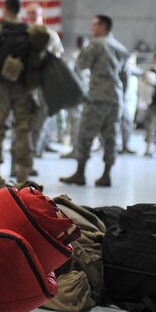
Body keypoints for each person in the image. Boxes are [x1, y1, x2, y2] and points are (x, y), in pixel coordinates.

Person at [60, 14, 128, 187]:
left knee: (85, 135)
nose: (92, 28)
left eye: (95, 25)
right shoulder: (120, 48)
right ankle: (106, 175)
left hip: (98, 98)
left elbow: (80, 65)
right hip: (115, 99)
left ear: (103, 26)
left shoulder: (97, 44)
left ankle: (80, 173)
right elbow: (125, 76)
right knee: (110, 137)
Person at [0, 0, 38, 182]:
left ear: (5, 8)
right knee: (23, 129)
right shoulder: (30, 31)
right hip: (23, 87)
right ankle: (23, 174)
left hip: (0, 86)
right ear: (19, 10)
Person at [25, 2, 64, 159]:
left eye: (35, 12)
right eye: (30, 13)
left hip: (43, 84)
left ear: (41, 14)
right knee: (24, 119)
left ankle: (34, 152)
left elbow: (57, 58)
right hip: (26, 85)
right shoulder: (23, 34)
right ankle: (24, 153)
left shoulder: (51, 35)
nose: (32, 15)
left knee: (41, 119)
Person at [62, 36, 90, 159]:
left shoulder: (76, 56)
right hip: (83, 95)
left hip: (80, 95)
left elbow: (67, 73)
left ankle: (77, 149)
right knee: (79, 122)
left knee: (76, 122)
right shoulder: (87, 57)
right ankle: (79, 149)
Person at [120, 52, 141, 154]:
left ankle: (125, 145)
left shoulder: (129, 69)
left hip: (131, 101)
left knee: (128, 124)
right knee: (126, 124)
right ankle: (124, 145)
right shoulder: (127, 68)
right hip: (126, 102)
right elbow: (141, 72)